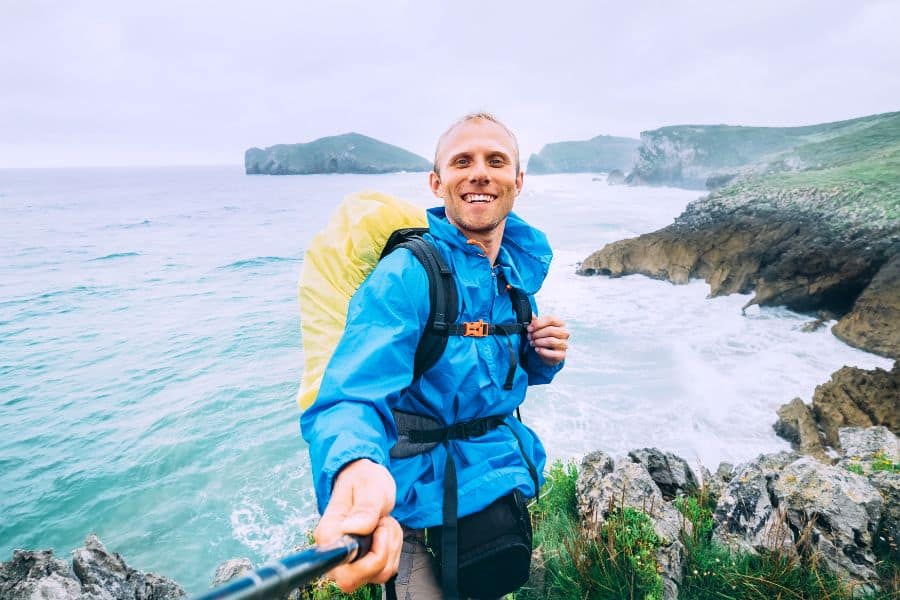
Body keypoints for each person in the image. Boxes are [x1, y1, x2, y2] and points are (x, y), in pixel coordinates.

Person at [301, 112, 570, 598]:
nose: (480, 172)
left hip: (492, 484)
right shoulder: (407, 275)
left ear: (518, 180)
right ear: (437, 182)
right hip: (414, 506)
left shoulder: (513, 275)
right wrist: (354, 466)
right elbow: (352, 394)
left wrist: (540, 358)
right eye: (462, 160)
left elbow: (484, 374)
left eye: (496, 160)